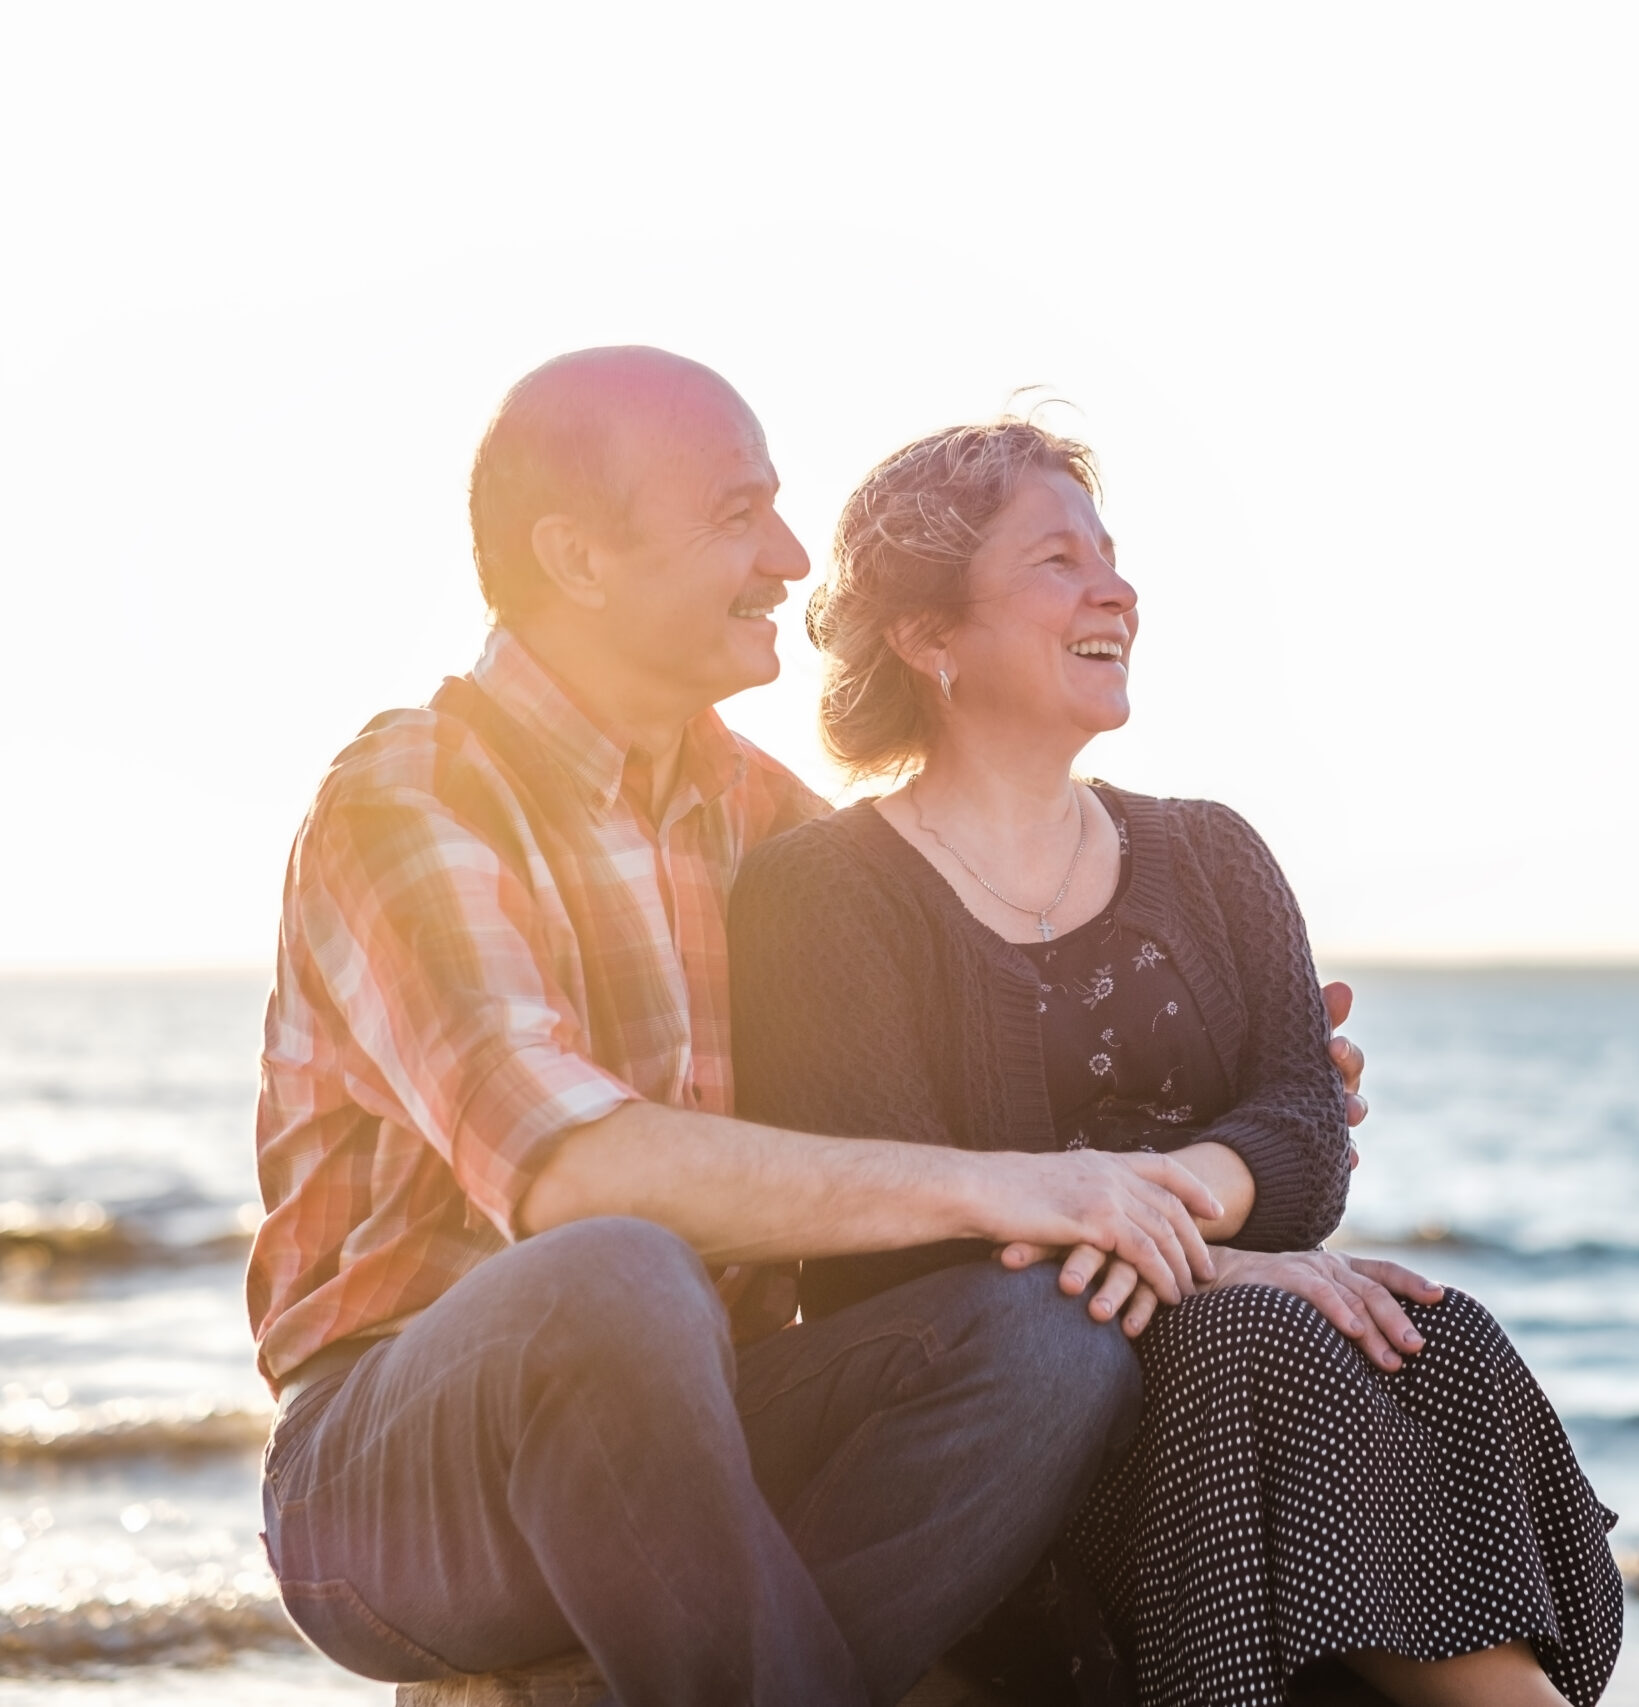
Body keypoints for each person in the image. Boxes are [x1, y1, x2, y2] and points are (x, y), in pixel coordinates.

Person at [247, 347, 1368, 1707]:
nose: (789, 554)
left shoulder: (776, 830)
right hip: (399, 1482)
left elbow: (942, 1091)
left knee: (1045, 1332)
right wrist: (1029, 1180)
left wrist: (1198, 1146)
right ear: (580, 558)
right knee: (618, 1269)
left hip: (716, 1424)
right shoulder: (407, 797)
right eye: (738, 514)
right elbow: (570, 1170)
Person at [727, 420, 1622, 1707]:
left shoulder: (1210, 855)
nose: (1115, 590)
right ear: (932, 641)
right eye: (1056, 561)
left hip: (1240, 1399)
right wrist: (1222, 1271)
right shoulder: (824, 896)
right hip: (997, 1448)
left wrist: (1165, 1220)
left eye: (1111, 556)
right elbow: (890, 1245)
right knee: (1264, 1334)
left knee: (1421, 1325)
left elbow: (1307, 1141)